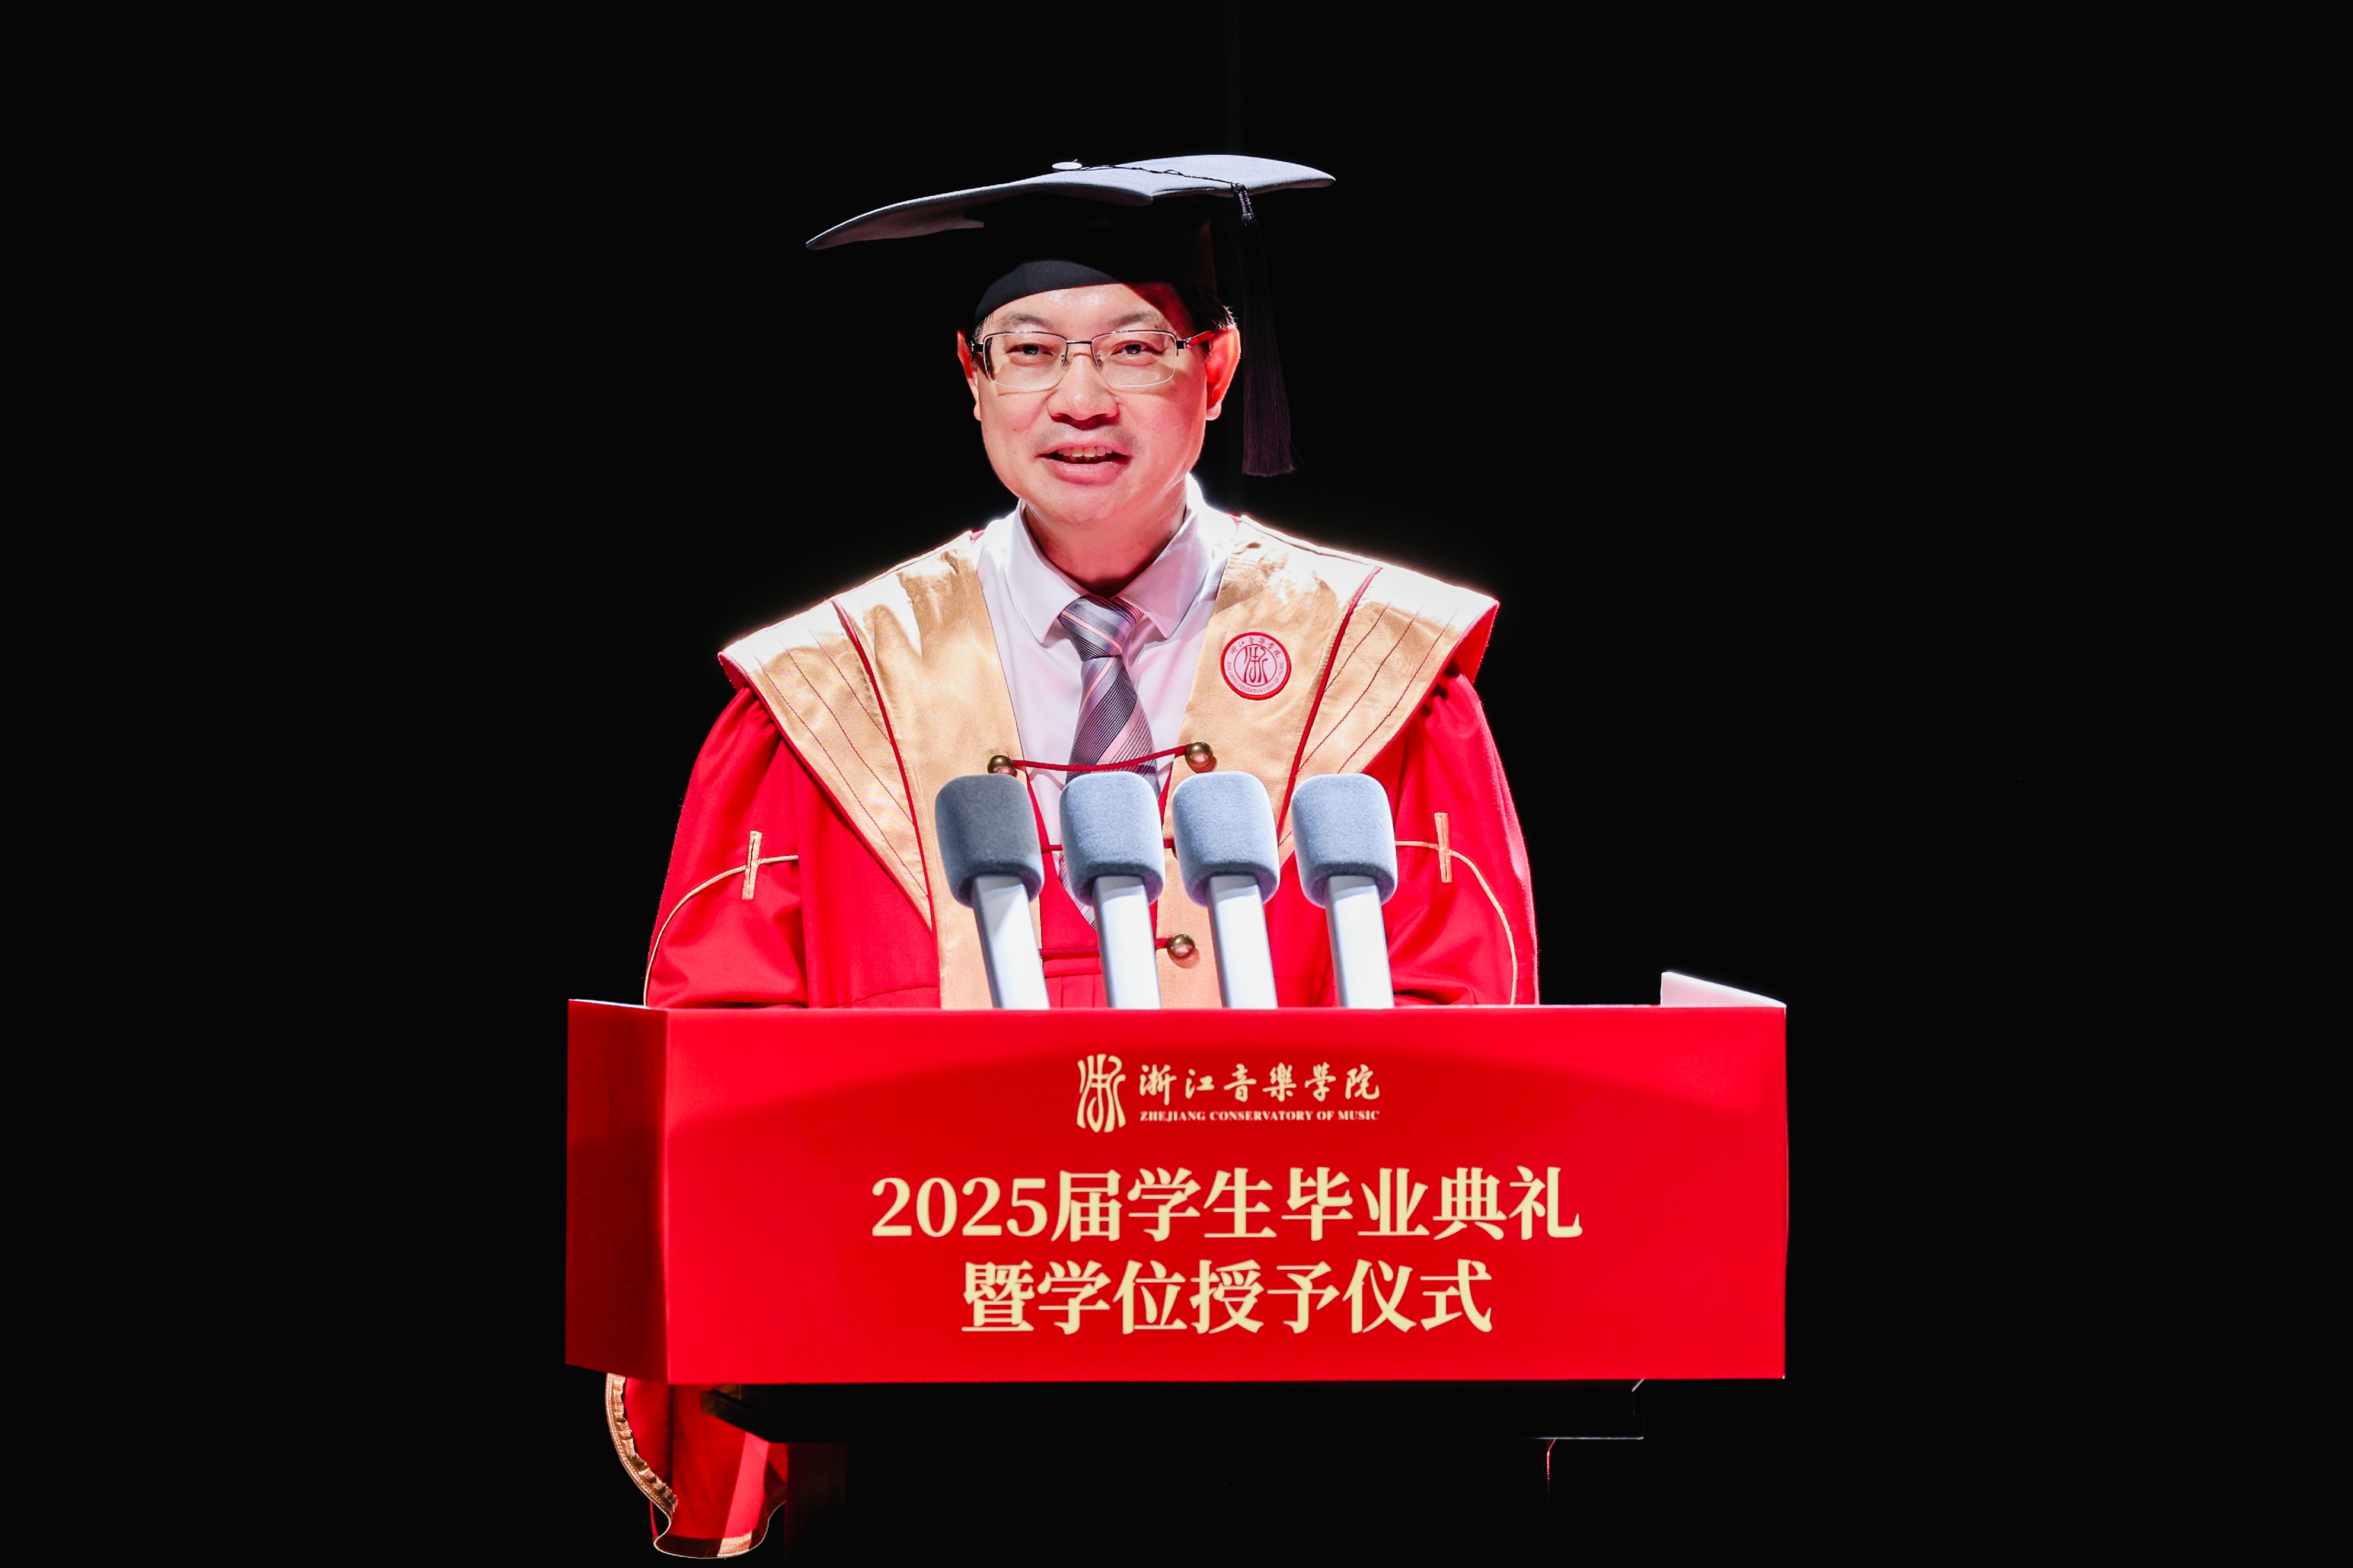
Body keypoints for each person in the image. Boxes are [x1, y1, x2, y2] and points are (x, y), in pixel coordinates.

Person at [602, 155, 1540, 1557]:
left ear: (1215, 370)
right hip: (921, 1362)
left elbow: (1461, 1031)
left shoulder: (1378, 668)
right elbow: (721, 1052)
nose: (1079, 399)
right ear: (970, 379)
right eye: (1030, 352)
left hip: (1284, 1364)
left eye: (1132, 349)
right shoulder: (829, 688)